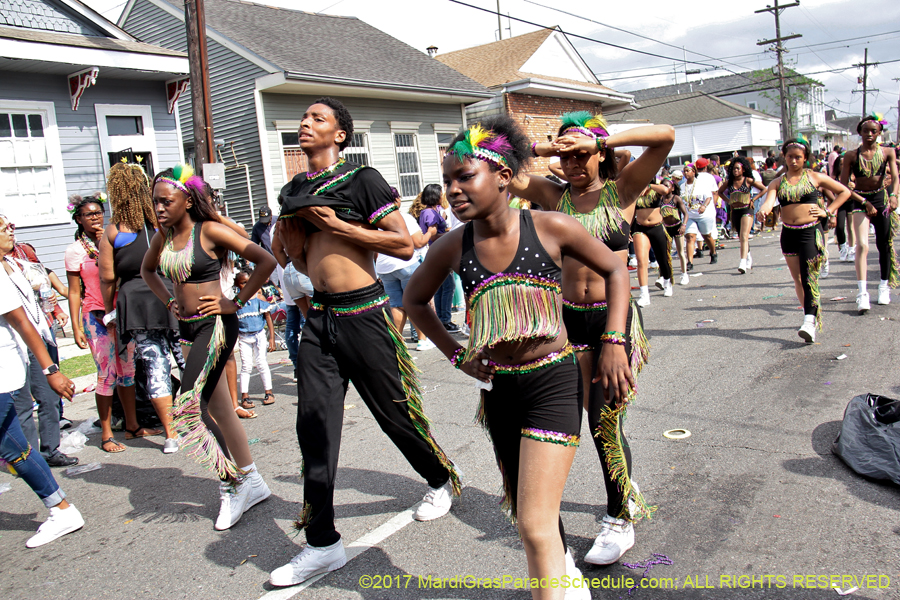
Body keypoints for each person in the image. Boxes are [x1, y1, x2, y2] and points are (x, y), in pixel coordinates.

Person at [407, 116, 636, 599]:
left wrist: (614, 341)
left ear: (504, 177)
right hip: (499, 391)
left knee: (533, 525)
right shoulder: (453, 245)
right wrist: (456, 355)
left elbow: (616, 267)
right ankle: (565, 580)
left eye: (464, 176)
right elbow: (414, 302)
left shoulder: (551, 226)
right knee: (532, 517)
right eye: (448, 180)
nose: (452, 189)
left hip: (553, 381)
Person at [270, 97, 460, 587]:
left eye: (317, 118)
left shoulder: (363, 179)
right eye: (303, 116)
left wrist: (338, 226)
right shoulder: (292, 189)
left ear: (339, 135)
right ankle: (321, 542)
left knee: (396, 413)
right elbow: (290, 259)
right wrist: (288, 234)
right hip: (319, 320)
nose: (304, 123)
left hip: (366, 315)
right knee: (312, 427)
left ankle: (439, 478)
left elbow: (405, 242)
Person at [508, 111, 673, 566]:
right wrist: (547, 150)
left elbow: (664, 135)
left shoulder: (621, 190)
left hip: (612, 324)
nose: (575, 163)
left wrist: (601, 139)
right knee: (583, 417)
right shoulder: (550, 193)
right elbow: (502, 163)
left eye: (583, 154)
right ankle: (624, 483)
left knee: (605, 421)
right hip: (566, 322)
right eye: (568, 155)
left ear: (601, 154)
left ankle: (620, 518)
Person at [141, 164, 276, 530]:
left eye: (166, 201)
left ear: (187, 199)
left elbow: (266, 260)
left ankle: (231, 483)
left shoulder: (210, 230)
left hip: (216, 326)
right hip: (187, 329)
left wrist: (237, 300)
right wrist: (169, 301)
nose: (159, 208)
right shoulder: (163, 238)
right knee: (219, 408)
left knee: (186, 409)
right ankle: (252, 479)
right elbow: (147, 271)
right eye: (155, 203)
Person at [0, 258, 85, 548]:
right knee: (14, 447)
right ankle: (61, 509)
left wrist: (50, 370)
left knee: (13, 446)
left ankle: (62, 510)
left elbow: (23, 321)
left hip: (3, 372)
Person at [99, 162, 180, 452]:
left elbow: (107, 277)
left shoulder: (113, 232)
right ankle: (207, 417)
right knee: (188, 360)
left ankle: (171, 434)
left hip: (136, 307)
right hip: (172, 298)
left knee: (156, 367)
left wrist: (110, 307)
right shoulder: (162, 225)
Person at [757, 136, 851, 342]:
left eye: (798, 157)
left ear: (805, 158)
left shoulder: (815, 178)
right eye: (790, 156)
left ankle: (809, 321)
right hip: (788, 233)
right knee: (798, 279)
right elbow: (769, 202)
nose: (793, 161)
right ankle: (808, 313)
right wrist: (763, 211)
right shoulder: (777, 182)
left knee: (809, 278)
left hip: (811, 232)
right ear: (784, 157)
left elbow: (844, 192)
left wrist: (828, 210)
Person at [2, 219, 77, 468]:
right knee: (22, 404)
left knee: (48, 398)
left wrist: (54, 307)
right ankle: (29, 457)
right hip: (14, 346)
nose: (11, 231)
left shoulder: (18, 259)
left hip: (38, 335)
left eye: (11, 226)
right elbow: (19, 321)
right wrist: (51, 370)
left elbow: (42, 286)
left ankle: (50, 450)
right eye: (4, 228)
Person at [839, 114, 899, 311]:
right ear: (860, 133)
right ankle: (862, 293)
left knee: (884, 244)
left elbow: (896, 178)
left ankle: (884, 286)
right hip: (859, 200)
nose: (870, 134)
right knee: (862, 245)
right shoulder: (851, 156)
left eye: (874, 131)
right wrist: (863, 201)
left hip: (881, 199)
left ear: (879, 133)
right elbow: (844, 186)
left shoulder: (887, 152)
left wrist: (894, 195)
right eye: (866, 131)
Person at [375, 186, 437, 351]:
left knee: (396, 305)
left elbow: (374, 249)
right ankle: (422, 340)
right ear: (396, 200)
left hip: (384, 267)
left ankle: (397, 342)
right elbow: (418, 242)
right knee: (414, 302)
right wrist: (430, 232)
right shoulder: (404, 217)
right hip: (406, 263)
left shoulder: (375, 221)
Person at [416, 184, 459, 333]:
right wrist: (452, 234)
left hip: (436, 251)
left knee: (441, 286)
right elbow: (432, 235)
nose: (443, 195)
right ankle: (445, 320)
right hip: (437, 252)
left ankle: (442, 319)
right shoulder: (430, 213)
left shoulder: (430, 211)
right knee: (448, 286)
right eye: (441, 193)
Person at [234, 271, 276, 407]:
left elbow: (268, 318)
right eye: (242, 283)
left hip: (259, 335)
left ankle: (269, 392)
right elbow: (234, 322)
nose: (246, 285)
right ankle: (244, 396)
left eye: (248, 282)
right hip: (244, 337)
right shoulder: (236, 302)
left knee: (262, 363)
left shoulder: (259, 299)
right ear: (237, 284)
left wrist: (272, 338)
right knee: (246, 366)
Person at [632, 182, 675, 305]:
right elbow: (631, 210)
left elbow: (665, 190)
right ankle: (644, 294)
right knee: (641, 261)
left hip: (656, 227)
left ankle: (667, 281)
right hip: (640, 228)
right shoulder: (635, 190)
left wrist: (649, 186)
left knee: (663, 259)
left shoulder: (655, 189)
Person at [723, 157, 767, 274]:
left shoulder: (748, 180)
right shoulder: (729, 182)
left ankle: (742, 262)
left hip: (747, 210)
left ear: (743, 170)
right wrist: (728, 200)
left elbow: (764, 189)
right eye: (734, 168)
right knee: (741, 236)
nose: (735, 171)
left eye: (738, 168)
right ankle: (748, 256)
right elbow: (719, 192)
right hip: (735, 211)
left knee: (743, 236)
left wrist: (754, 199)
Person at [681, 163, 718, 269]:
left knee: (707, 236)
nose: (686, 173)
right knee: (690, 237)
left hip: (703, 215)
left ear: (694, 172)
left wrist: (704, 206)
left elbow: (709, 197)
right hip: (690, 216)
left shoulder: (701, 184)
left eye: (688, 170)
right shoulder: (682, 186)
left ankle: (713, 252)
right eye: (684, 171)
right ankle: (690, 262)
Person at [659, 177, 689, 285]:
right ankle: (663, 276)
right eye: (663, 186)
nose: (664, 188)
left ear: (672, 188)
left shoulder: (676, 199)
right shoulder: (660, 199)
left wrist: (684, 225)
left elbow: (685, 214)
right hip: (665, 228)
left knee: (681, 252)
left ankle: (684, 274)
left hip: (677, 227)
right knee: (665, 254)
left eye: (667, 186)